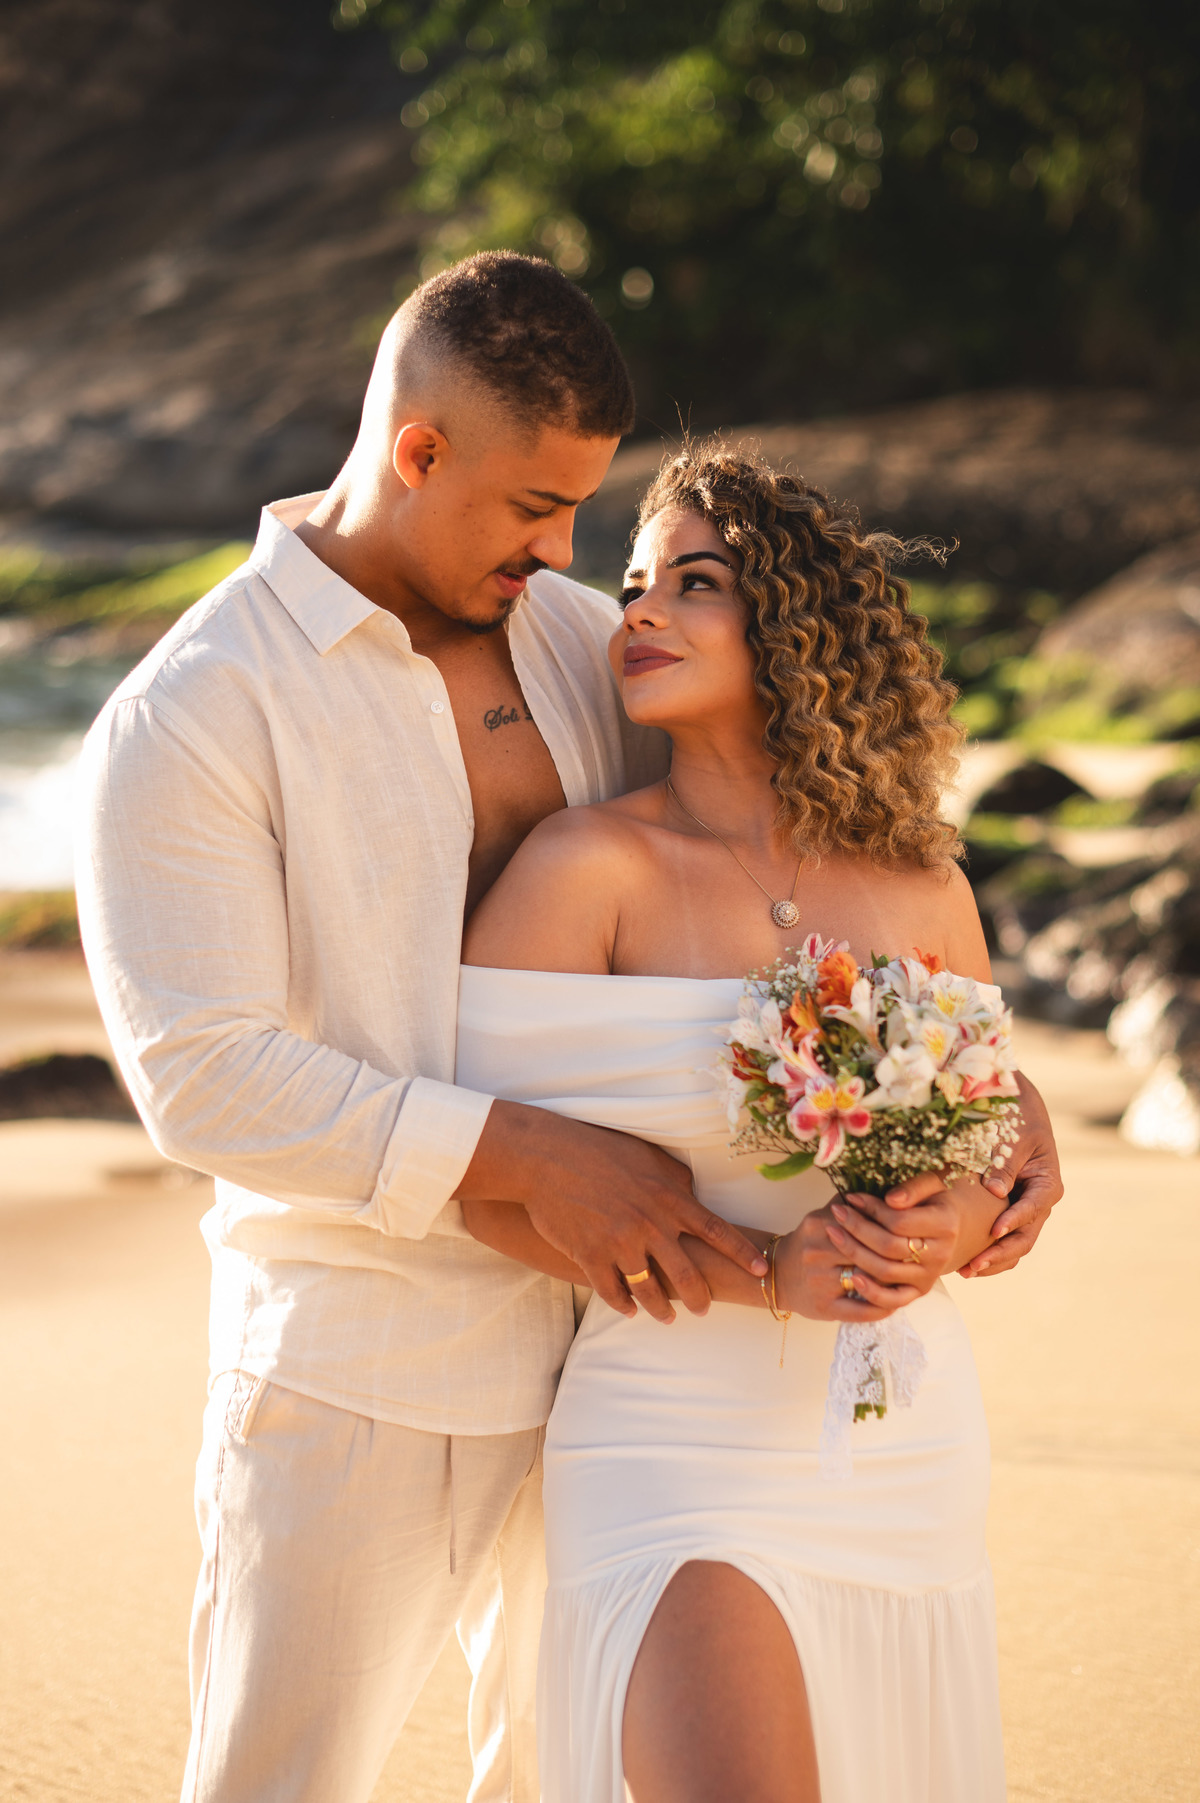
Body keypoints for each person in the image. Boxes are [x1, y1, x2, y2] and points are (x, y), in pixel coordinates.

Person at [77, 251, 1058, 1802]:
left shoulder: (575, 641)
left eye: (586, 514)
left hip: (632, 1351)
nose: (565, 553)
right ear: (419, 451)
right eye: (538, 508)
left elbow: (796, 902)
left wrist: (995, 1109)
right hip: (370, 1355)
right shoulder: (198, 709)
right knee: (279, 1779)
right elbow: (202, 1079)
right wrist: (531, 1154)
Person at [458, 442, 1028, 1802]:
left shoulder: (924, 885)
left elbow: (993, 1131)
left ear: (796, 622)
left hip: (904, 1437)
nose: (639, 613)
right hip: (670, 1437)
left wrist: (951, 1229)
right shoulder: (585, 868)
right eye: (633, 586)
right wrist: (767, 1272)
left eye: (694, 583)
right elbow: (477, 1186)